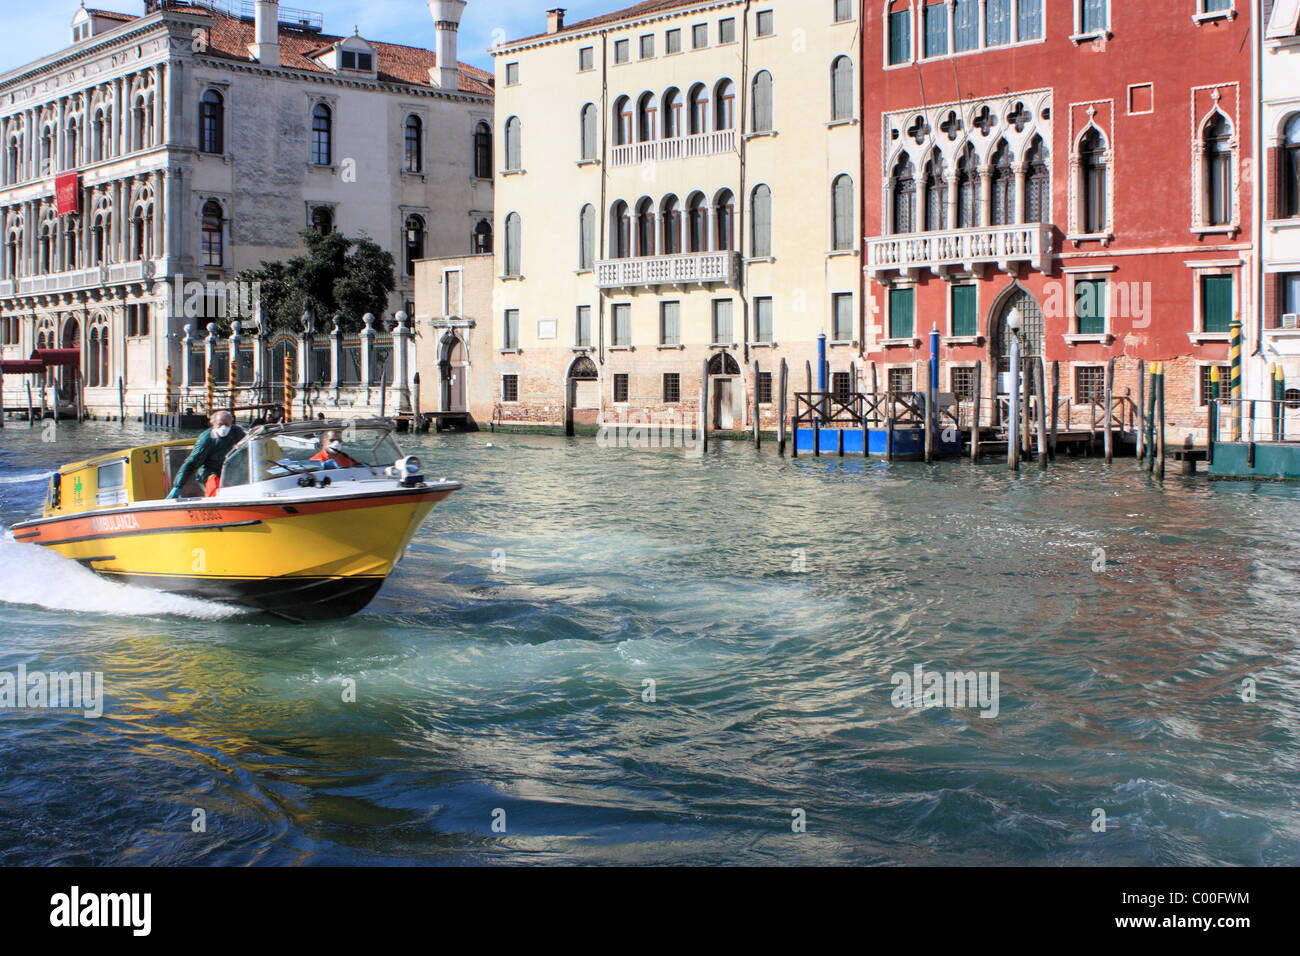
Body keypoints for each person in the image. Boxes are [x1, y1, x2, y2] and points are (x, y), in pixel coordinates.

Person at [167, 410, 246, 499]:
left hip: (233, 470)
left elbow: (247, 448)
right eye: (220, 424)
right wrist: (178, 485)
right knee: (214, 487)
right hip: (211, 472)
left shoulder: (237, 432)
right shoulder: (206, 439)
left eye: (227, 424)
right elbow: (192, 461)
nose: (224, 427)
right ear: (213, 424)